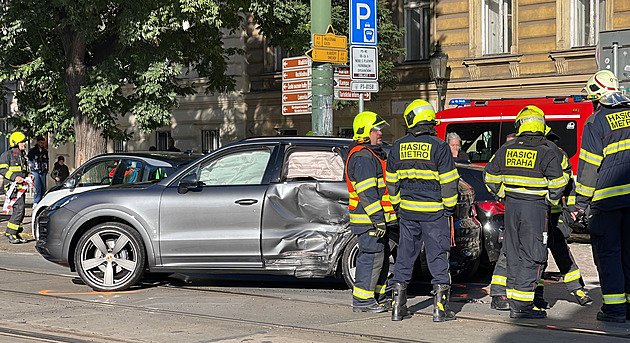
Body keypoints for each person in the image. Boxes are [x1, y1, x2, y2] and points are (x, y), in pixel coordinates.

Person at [489, 125, 591, 312]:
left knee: (519, 252)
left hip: (539, 213)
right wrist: (570, 208)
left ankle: (512, 294)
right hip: (546, 213)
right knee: (538, 253)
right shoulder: (554, 153)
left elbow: (565, 184)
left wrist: (505, 196)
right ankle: (565, 291)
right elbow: (566, 184)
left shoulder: (540, 151)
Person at [484, 105, 567, 319]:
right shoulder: (547, 152)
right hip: (535, 208)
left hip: (511, 207)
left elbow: (489, 176)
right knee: (534, 255)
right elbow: (558, 184)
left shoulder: (507, 149)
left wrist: (503, 193)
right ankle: (521, 305)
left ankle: (512, 299)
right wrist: (549, 199)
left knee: (513, 253)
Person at [386, 99, 459, 322]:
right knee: (438, 256)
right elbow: (448, 182)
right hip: (435, 213)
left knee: (405, 256)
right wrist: (449, 208)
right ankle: (440, 310)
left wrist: (398, 205)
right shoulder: (440, 146)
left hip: (408, 212)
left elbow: (391, 182)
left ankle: (398, 307)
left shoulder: (398, 146)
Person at [574, 70, 630, 323]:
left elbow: (588, 168)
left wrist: (580, 203)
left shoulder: (596, 121)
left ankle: (615, 309)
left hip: (608, 202)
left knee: (609, 254)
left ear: (597, 97)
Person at [345, 111, 397, 313]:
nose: (380, 133)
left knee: (380, 257)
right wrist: (378, 220)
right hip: (370, 221)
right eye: (376, 129)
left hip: (376, 220)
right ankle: (363, 301)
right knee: (371, 257)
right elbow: (367, 194)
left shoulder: (372, 154)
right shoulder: (363, 157)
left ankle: (377, 297)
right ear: (365, 132)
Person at [1, 132, 33, 244]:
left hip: (21, 187)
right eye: (22, 142)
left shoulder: (22, 155)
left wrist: (29, 175)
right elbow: (3, 170)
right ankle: (11, 234)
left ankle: (16, 232)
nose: (24, 144)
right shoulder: (7, 155)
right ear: (15, 143)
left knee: (21, 210)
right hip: (12, 187)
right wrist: (15, 177)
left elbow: (25, 170)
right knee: (19, 209)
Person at [27, 136, 49, 206]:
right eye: (41, 142)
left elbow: (46, 160)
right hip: (35, 171)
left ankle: (42, 201)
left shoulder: (45, 151)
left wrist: (46, 169)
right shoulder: (33, 151)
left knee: (43, 187)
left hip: (42, 170)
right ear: (37, 142)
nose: (42, 144)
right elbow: (29, 160)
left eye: (43, 143)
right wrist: (31, 169)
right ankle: (36, 202)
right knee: (37, 187)